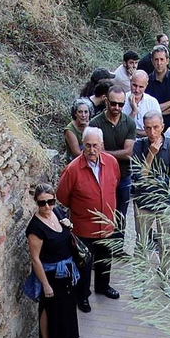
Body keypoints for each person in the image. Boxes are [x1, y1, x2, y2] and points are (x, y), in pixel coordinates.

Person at [57, 127, 120, 309]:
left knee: (105, 258)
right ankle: (82, 295)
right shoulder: (73, 169)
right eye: (87, 146)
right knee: (84, 263)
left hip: (106, 225)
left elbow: (114, 183)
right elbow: (62, 196)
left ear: (102, 145)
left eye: (95, 146)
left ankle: (103, 286)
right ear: (82, 146)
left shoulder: (112, 162)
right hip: (84, 227)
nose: (92, 150)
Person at [24, 182, 80, 338]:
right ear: (36, 203)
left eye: (50, 201)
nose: (47, 206)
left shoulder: (57, 213)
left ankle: (68, 337)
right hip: (50, 273)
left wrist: (68, 225)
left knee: (68, 305)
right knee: (48, 309)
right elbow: (35, 258)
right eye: (42, 203)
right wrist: (45, 285)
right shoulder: (35, 228)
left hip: (66, 270)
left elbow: (65, 237)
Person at [130, 110, 170, 295]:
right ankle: (140, 282)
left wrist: (152, 183)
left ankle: (165, 280)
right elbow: (137, 178)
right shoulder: (139, 146)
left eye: (155, 127)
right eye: (147, 128)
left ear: (162, 126)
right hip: (143, 204)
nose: (152, 132)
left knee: (166, 244)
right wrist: (151, 154)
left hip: (165, 204)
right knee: (141, 244)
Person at [89, 83, 137, 241]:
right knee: (101, 210)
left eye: (121, 104)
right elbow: (93, 153)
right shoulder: (95, 124)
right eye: (114, 103)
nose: (117, 107)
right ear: (106, 101)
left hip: (123, 176)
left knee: (121, 212)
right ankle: (102, 244)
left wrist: (104, 153)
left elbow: (128, 153)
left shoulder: (129, 123)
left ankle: (118, 244)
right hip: (101, 177)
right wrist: (116, 154)